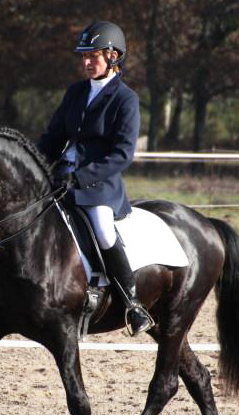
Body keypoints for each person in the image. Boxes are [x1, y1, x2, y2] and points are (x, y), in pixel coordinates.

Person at [38, 20, 154, 336]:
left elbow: (122, 155)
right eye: (84, 56)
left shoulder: (125, 99)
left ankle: (132, 304)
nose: (87, 62)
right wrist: (35, 165)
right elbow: (52, 137)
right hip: (61, 177)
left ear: (113, 56)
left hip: (99, 185)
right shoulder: (76, 92)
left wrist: (81, 177)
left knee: (103, 231)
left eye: (94, 56)